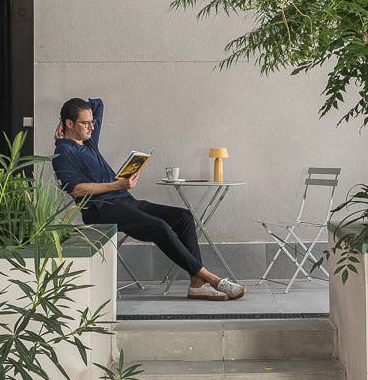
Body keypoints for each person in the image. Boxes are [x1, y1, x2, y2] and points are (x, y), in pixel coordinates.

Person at [52, 97, 246, 301]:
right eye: (86, 123)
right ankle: (213, 279)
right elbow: (76, 190)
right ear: (70, 124)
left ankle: (196, 284)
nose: (92, 126)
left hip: (126, 201)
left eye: (92, 122)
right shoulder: (63, 151)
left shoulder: (88, 142)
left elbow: (98, 103)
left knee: (184, 217)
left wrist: (62, 121)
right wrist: (118, 185)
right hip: (101, 209)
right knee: (159, 227)